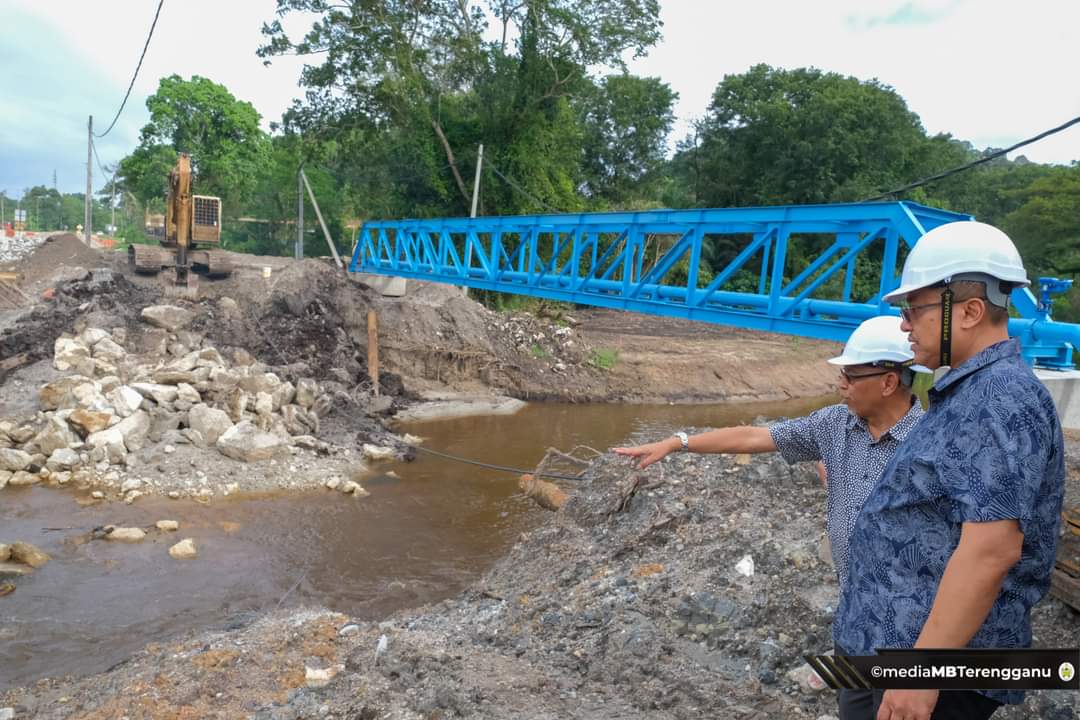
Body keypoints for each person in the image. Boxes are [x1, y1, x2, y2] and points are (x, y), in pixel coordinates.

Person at [834, 221, 1065, 720]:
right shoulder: (968, 393)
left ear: (970, 311)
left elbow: (991, 549)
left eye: (913, 309)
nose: (903, 324)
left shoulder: (999, 396)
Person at [613, 315, 925, 588]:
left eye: (851, 377)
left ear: (888, 383)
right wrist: (676, 443)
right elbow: (753, 437)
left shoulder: (932, 443)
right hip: (851, 601)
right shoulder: (834, 424)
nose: (841, 384)